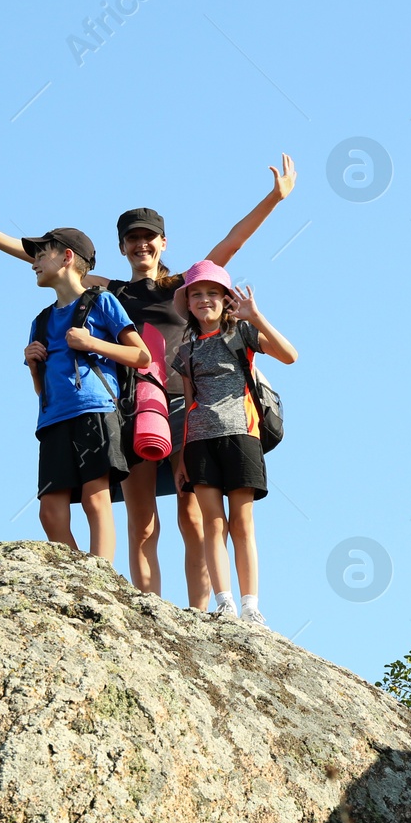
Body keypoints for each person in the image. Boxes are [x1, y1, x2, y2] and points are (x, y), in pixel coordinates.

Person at [0, 155, 297, 607]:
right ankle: (148, 607)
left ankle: (201, 611)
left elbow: (232, 243)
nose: (141, 246)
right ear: (123, 247)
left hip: (187, 405)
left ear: (163, 242)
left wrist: (274, 196)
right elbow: (51, 262)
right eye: (132, 239)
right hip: (133, 406)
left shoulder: (185, 285)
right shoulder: (111, 291)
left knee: (192, 516)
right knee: (143, 518)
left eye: (148, 238)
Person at [170, 261, 297, 627]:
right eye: (197, 294)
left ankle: (251, 605)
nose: (204, 299)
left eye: (212, 293)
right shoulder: (187, 350)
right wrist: (180, 460)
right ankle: (224, 601)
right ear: (189, 303)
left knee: (242, 522)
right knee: (213, 523)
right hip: (199, 440)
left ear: (226, 299)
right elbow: (189, 401)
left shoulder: (241, 333)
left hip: (242, 433)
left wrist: (256, 317)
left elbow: (290, 356)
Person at [19, 227, 151, 564]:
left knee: (96, 499)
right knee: (49, 511)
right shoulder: (41, 321)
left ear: (66, 257)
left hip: (96, 409)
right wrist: (34, 367)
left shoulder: (102, 301)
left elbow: (142, 356)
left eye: (40, 253)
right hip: (52, 418)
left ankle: (100, 577)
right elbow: (41, 389)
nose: (34, 262)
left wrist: (91, 342)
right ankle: (77, 575)